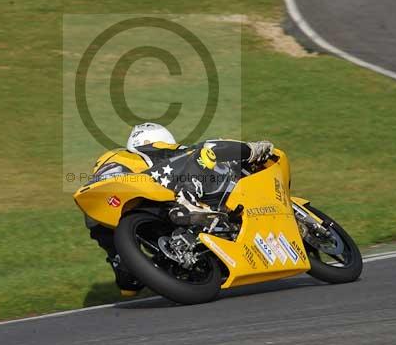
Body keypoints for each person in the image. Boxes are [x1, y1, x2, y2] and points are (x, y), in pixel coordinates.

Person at [86, 122, 273, 295]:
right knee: (208, 149)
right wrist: (253, 150)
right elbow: (211, 148)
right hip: (167, 202)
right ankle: (188, 198)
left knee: (120, 262)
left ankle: (123, 268)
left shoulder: (122, 164)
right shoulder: (171, 154)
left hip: (134, 218)